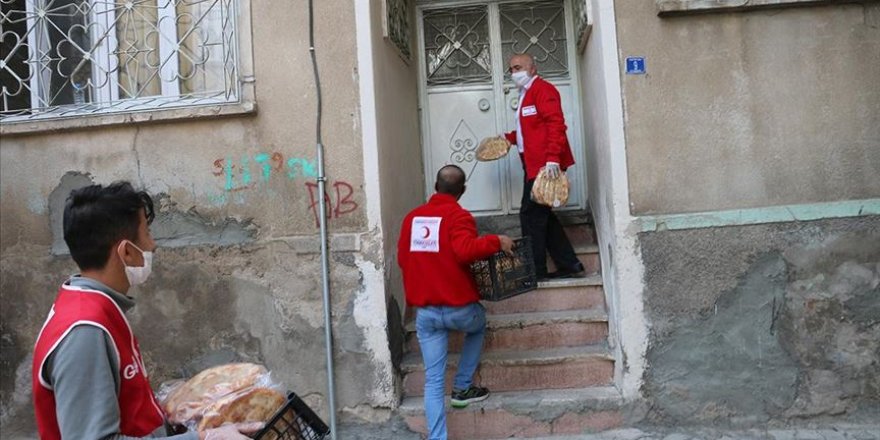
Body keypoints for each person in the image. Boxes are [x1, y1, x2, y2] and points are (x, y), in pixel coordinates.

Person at [31, 182, 259, 440]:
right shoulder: (85, 331)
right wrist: (204, 439)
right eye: (147, 233)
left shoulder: (97, 308)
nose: (153, 246)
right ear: (126, 251)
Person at [398, 165, 515, 440]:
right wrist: (496, 240)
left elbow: (404, 259)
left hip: (425, 313)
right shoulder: (458, 215)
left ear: (435, 187)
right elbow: (465, 251)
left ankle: (438, 437)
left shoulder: (412, 218)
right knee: (479, 322)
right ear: (462, 191)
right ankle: (463, 387)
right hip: (459, 310)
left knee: (433, 382)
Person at [504, 52, 585, 280]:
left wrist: (552, 159)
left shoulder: (543, 90)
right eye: (511, 69)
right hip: (533, 164)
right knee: (543, 216)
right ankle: (570, 264)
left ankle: (535, 270)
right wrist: (509, 138)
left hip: (543, 166)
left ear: (532, 68)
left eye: (518, 67)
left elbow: (556, 124)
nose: (514, 73)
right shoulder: (526, 93)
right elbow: (529, 129)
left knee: (530, 216)